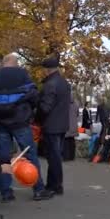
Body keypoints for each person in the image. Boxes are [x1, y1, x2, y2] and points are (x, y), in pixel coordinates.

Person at [0, 53, 50, 201]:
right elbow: (33, 95)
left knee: (4, 157)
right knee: (30, 154)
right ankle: (38, 189)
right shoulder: (22, 74)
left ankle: (6, 192)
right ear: (15, 63)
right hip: (20, 121)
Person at [37, 55, 71, 196]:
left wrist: (36, 114)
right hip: (62, 124)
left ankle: (54, 186)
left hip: (51, 125)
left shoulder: (50, 84)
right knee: (55, 155)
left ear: (46, 70)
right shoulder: (64, 83)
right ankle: (54, 185)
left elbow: (45, 107)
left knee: (53, 157)